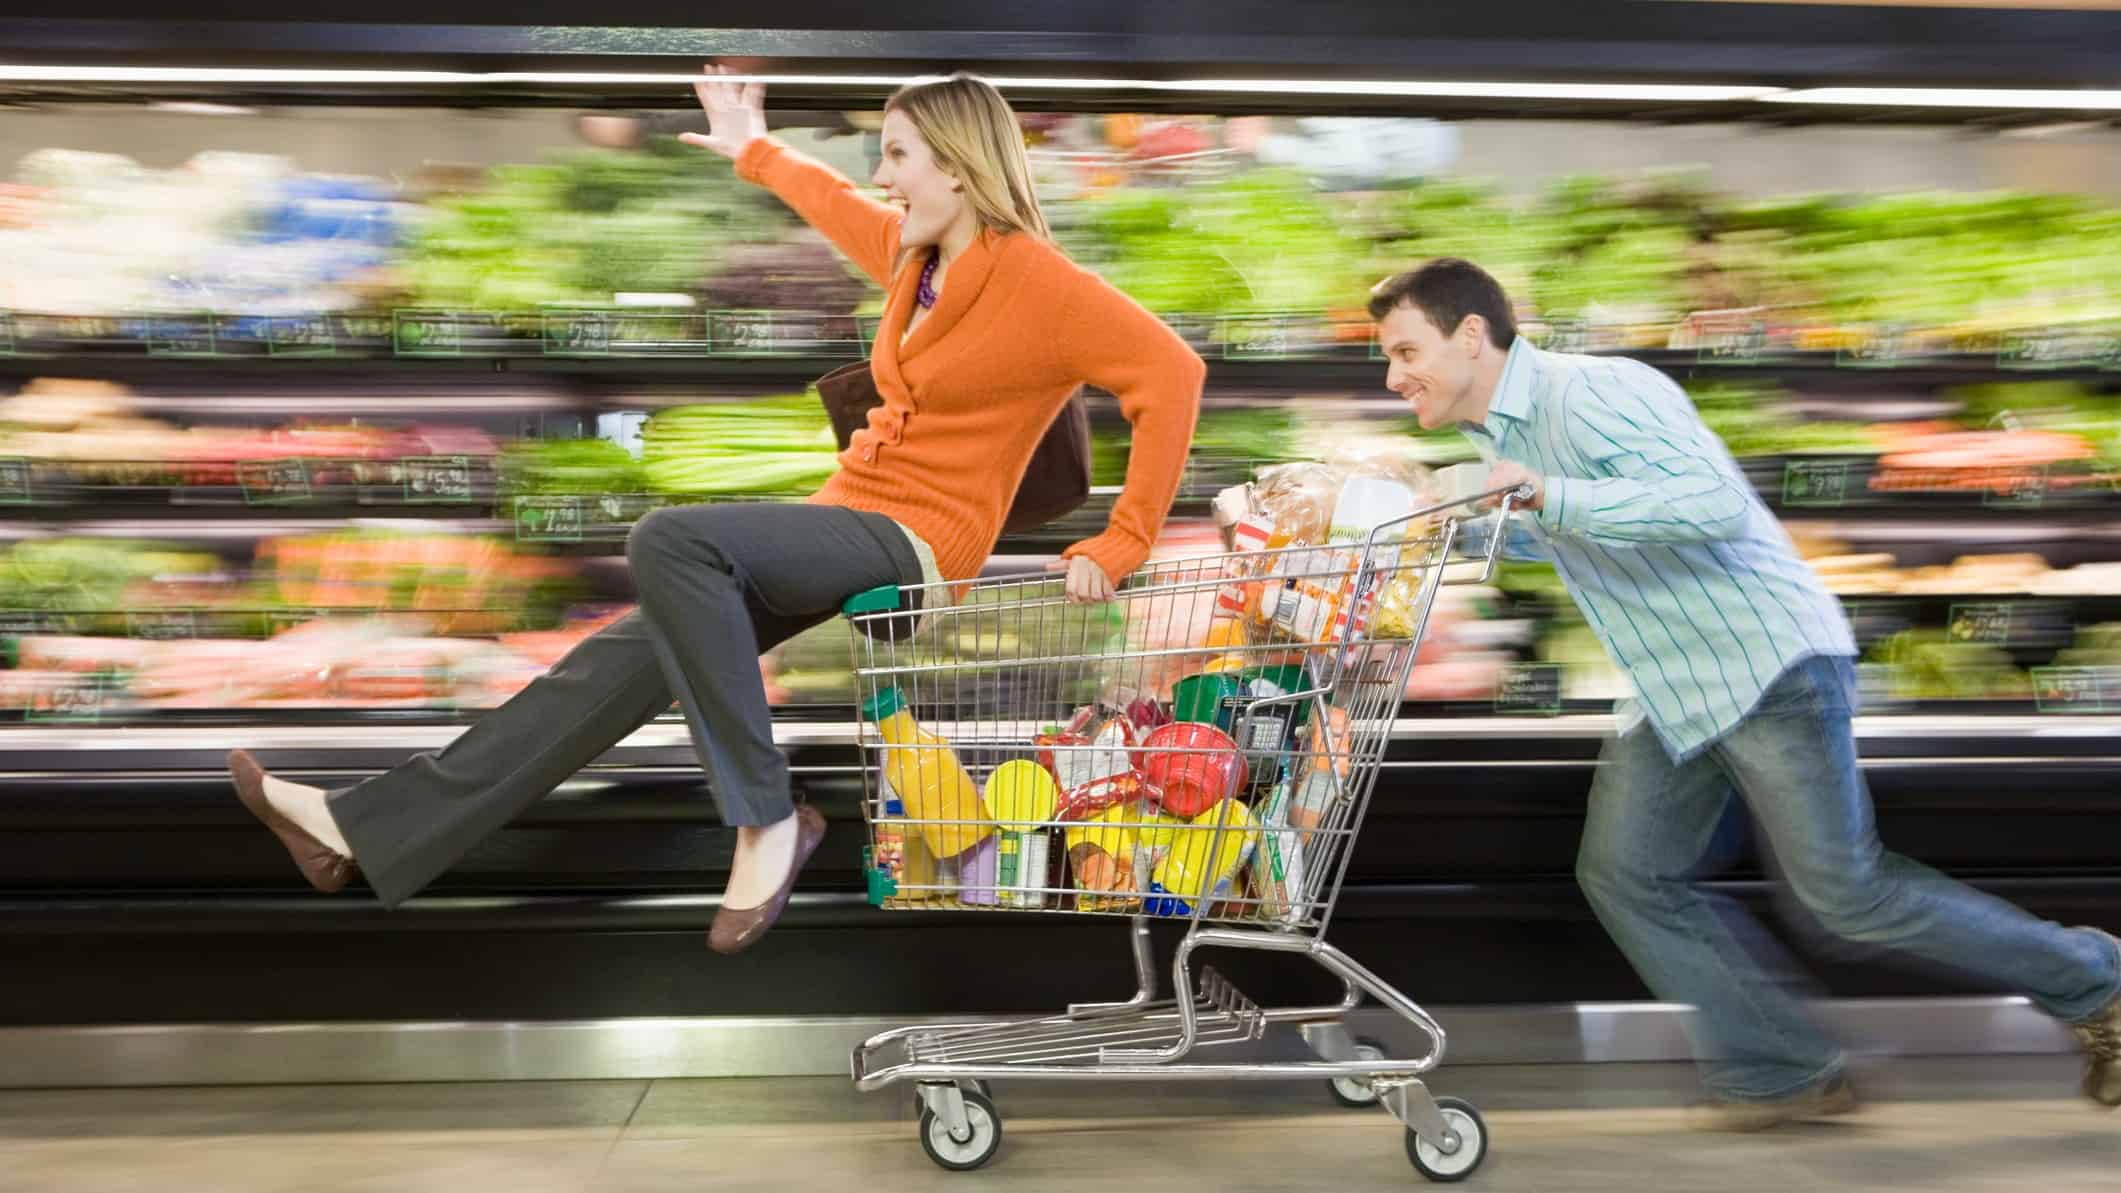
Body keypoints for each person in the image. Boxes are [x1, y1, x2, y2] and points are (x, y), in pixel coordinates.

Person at [228, 68, 1204, 956]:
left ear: (957, 166)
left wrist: (1125, 539)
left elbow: (1173, 370)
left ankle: (770, 814)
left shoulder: (1036, 277)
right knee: (612, 662)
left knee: (673, 537)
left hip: (919, 541)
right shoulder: (919, 262)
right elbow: (836, 206)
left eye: (899, 153)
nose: (883, 171)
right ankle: (362, 829)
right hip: (850, 514)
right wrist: (752, 145)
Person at [1369, 257, 2121, 1129]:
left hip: (1763, 665)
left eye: (1403, 349)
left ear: (1469, 335)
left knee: (1847, 896)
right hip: (1677, 687)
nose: (1393, 377)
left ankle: (2096, 982)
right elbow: (1586, 533)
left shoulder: (1594, 390)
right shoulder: (1497, 436)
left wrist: (1544, 490)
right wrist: (1453, 522)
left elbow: (1714, 503)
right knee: (1629, 874)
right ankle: (1781, 1068)